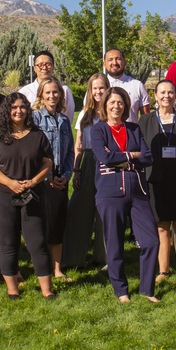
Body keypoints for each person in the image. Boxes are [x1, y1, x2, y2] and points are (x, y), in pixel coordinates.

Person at [0, 93, 56, 300]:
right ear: (7, 110)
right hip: (1, 195)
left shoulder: (37, 135)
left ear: (28, 109)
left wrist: (34, 181)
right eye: (13, 107)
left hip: (33, 193)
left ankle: (47, 290)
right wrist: (10, 183)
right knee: (8, 242)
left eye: (22, 107)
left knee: (38, 242)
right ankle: (13, 289)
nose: (18, 111)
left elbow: (48, 162)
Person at [91, 87, 160, 303]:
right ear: (105, 106)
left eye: (120, 103)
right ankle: (121, 290)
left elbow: (147, 158)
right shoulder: (98, 130)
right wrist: (131, 156)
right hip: (110, 193)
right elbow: (104, 157)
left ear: (126, 106)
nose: (116, 106)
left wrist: (118, 159)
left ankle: (147, 290)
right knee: (114, 243)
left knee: (151, 241)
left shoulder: (133, 128)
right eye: (112, 102)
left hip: (138, 192)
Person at [139, 79, 176, 286]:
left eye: (171, 92)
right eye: (162, 92)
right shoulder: (145, 120)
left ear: (175, 95)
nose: (166, 96)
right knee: (161, 226)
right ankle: (163, 270)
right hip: (156, 179)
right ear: (155, 95)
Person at [60, 73, 110, 269]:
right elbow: (78, 145)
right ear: (90, 90)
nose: (98, 92)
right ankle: (73, 258)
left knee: (106, 213)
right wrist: (76, 171)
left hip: (108, 163)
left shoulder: (113, 111)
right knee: (78, 211)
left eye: (102, 87)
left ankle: (104, 258)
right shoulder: (84, 114)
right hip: (88, 162)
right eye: (94, 88)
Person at [32, 77, 75, 281]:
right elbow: (33, 151)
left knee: (58, 224)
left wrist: (65, 176)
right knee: (42, 225)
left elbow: (69, 153)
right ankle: (43, 267)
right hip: (41, 179)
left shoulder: (65, 120)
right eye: (48, 92)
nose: (52, 96)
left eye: (55, 92)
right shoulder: (34, 118)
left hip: (60, 179)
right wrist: (48, 177)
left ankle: (57, 269)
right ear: (41, 94)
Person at [19, 50, 75, 123]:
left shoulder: (64, 90)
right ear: (34, 68)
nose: (44, 68)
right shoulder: (25, 92)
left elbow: (68, 119)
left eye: (48, 64)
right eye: (40, 65)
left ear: (53, 67)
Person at [104, 47, 150, 123]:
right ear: (104, 64)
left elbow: (146, 119)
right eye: (110, 60)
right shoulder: (98, 87)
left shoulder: (137, 85)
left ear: (125, 62)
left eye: (118, 59)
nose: (114, 62)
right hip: (104, 134)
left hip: (130, 133)